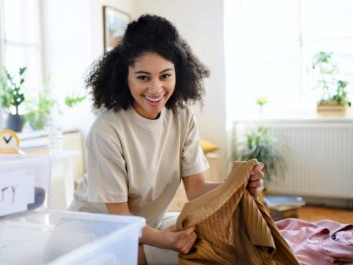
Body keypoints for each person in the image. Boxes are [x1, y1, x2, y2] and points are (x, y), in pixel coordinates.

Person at [68, 14, 265, 265]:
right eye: (143, 77)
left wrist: (238, 184)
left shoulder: (182, 116)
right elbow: (119, 218)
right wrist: (162, 240)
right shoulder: (107, 130)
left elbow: (196, 190)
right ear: (124, 76)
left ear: (178, 73)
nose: (155, 88)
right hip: (94, 232)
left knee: (226, 245)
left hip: (148, 225)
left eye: (165, 75)